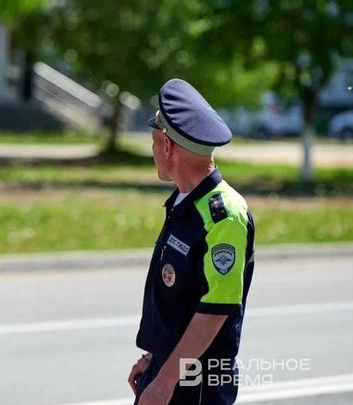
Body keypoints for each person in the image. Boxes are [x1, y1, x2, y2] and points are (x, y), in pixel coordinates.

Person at [127, 78, 255, 405]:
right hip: (169, 372)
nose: (153, 151)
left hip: (195, 388)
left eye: (154, 142)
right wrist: (153, 359)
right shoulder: (186, 202)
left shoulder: (224, 216)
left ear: (168, 148)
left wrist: (164, 382)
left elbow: (215, 310)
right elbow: (178, 299)